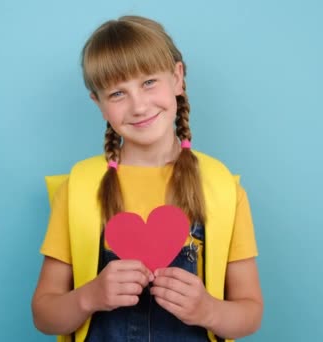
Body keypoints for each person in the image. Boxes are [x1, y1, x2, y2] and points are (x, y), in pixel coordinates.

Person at [32, 15, 262, 342]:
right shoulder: (79, 187)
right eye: (117, 94)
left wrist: (208, 310)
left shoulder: (221, 187)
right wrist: (90, 296)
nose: (138, 106)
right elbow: (44, 314)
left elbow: (250, 312)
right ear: (98, 104)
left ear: (177, 78)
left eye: (149, 82)